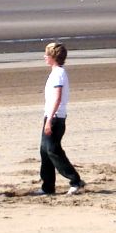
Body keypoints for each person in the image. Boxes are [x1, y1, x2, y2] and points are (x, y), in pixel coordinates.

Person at [37, 42, 86, 196]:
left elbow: (57, 99)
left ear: (53, 57)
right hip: (51, 116)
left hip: (56, 117)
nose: (44, 57)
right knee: (45, 151)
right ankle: (48, 187)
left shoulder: (58, 73)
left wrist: (50, 120)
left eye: (47, 55)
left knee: (53, 150)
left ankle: (75, 180)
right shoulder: (55, 72)